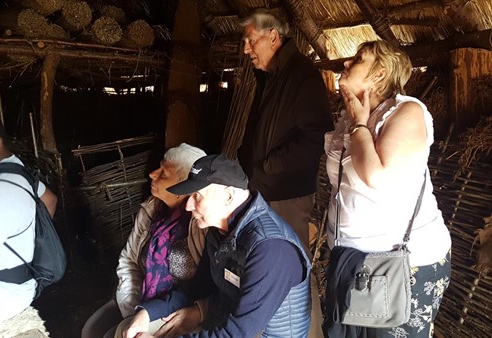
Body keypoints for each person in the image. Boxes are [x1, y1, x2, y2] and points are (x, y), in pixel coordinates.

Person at [323, 40, 452, 337]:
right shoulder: (349, 115)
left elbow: (376, 177)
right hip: (350, 260)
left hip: (401, 265)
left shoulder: (406, 113)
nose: (345, 63)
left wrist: (359, 125)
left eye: (358, 59)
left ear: (380, 74)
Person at [118, 154, 311, 338]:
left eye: (197, 196)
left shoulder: (270, 249)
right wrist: (146, 313)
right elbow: (198, 286)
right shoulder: (220, 230)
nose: (188, 206)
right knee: (126, 329)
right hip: (222, 319)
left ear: (228, 196)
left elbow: (238, 334)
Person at [82, 143, 207, 338]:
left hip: (180, 307)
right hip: (140, 295)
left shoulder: (201, 223)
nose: (152, 174)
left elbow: (208, 287)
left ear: (184, 185)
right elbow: (129, 260)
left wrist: (146, 315)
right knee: (91, 331)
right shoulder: (151, 209)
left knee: (112, 335)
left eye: (164, 173)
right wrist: (134, 310)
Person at [238, 9, 333, 253]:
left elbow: (316, 136)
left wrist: (271, 166)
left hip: (287, 195)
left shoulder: (302, 76)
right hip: (262, 186)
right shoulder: (269, 77)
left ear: (272, 37)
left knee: (291, 260)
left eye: (251, 41)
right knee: (263, 257)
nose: (246, 49)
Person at [0, 119, 58, 331]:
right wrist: (34, 243)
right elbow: (50, 199)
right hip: (19, 279)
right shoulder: (18, 172)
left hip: (1, 290)